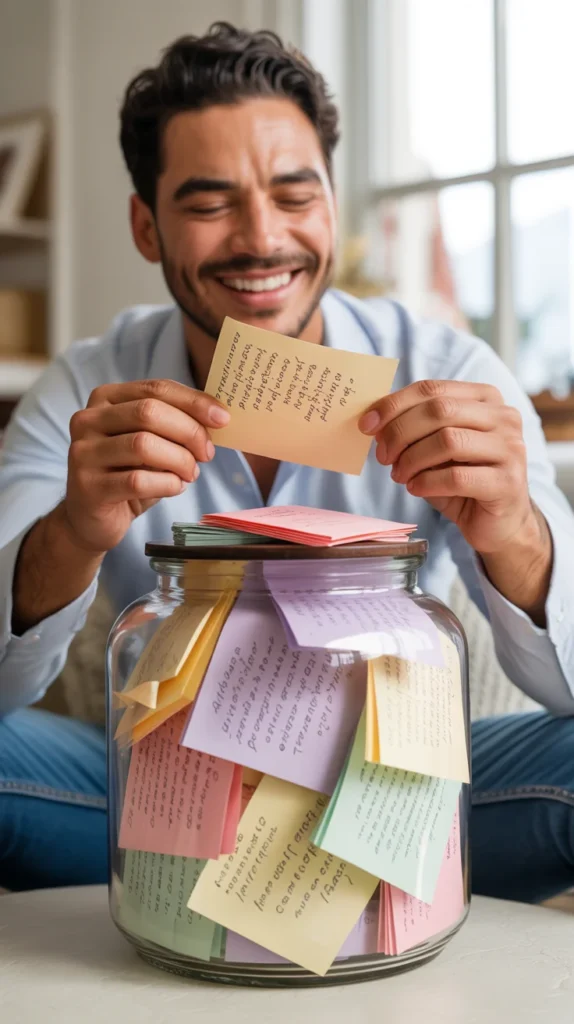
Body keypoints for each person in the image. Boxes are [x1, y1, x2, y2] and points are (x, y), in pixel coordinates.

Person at [1, 23, 573, 897]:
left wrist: (516, 536)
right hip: (159, 793)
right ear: (145, 226)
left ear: (334, 207)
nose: (261, 239)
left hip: (406, 794)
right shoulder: (89, 390)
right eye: (208, 202)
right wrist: (74, 531)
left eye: (294, 194)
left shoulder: (450, 373)